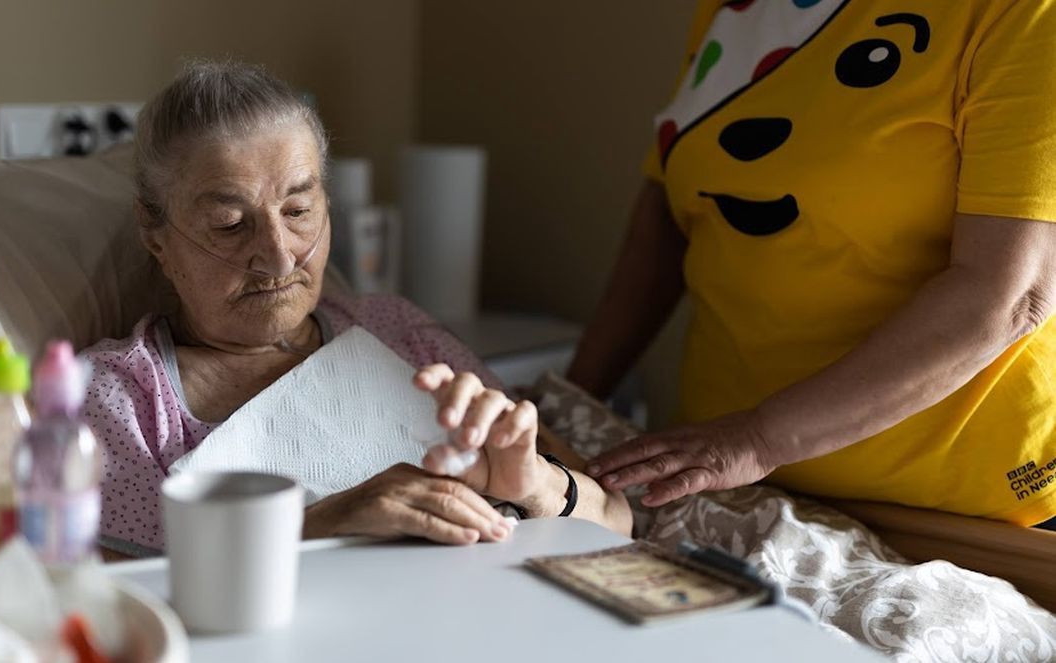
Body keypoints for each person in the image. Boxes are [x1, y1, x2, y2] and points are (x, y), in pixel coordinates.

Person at [82, 60, 631, 556]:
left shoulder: (397, 331)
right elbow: (123, 596)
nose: (278, 257)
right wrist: (325, 520)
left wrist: (532, 482)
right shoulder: (122, 397)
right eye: (229, 225)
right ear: (156, 237)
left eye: (298, 210)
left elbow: (617, 519)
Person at [568, 0, 1056, 527]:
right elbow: (670, 212)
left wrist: (758, 438)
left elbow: (1010, 297)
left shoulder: (1021, 12)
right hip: (730, 487)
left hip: (956, 508)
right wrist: (573, 400)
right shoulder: (734, 8)